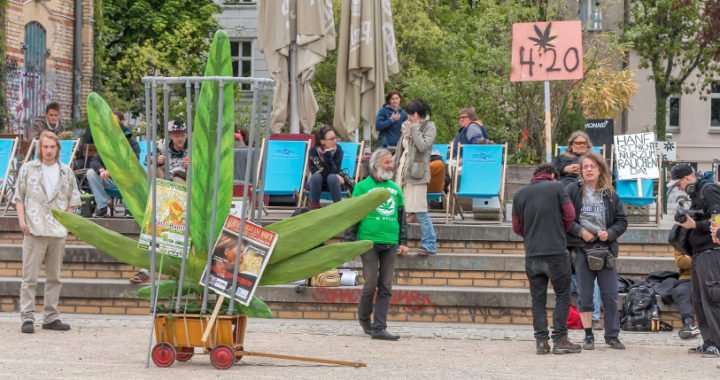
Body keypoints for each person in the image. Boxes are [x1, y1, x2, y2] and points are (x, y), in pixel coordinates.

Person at [512, 163, 581, 355]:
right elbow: (570, 214)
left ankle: (541, 342)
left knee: (538, 300)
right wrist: (559, 230)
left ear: (535, 175)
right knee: (563, 295)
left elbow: (517, 227)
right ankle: (560, 339)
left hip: (532, 253)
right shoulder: (558, 187)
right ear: (552, 175)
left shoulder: (519, 194)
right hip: (556, 252)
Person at [16, 131, 81, 333]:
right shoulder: (28, 169)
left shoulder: (66, 172)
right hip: (34, 229)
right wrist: (22, 222)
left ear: (58, 149)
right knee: (30, 277)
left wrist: (66, 224)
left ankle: (51, 316)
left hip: (57, 231)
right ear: (40, 148)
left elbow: (73, 200)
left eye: (52, 147)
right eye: (45, 147)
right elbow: (20, 197)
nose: (49, 150)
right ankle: (27, 317)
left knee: (54, 277)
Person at [565, 151, 628, 350]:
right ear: (581, 171)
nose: (589, 170)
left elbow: (622, 221)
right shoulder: (572, 191)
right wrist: (580, 231)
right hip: (583, 248)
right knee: (585, 293)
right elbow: (565, 219)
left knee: (610, 294)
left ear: (600, 169)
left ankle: (612, 335)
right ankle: (588, 335)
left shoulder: (611, 194)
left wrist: (609, 234)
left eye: (593, 166)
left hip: (605, 249)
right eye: (585, 167)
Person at [345, 148, 409, 340]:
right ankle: (365, 320)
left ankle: (379, 327)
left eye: (391, 162)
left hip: (390, 242)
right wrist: (350, 242)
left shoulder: (395, 188)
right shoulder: (362, 188)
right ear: (375, 166)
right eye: (387, 163)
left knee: (386, 286)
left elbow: (402, 217)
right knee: (370, 284)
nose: (391, 166)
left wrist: (403, 242)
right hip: (369, 242)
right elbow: (353, 215)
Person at [669, 162, 720, 357]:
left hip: (711, 252)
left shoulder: (709, 189)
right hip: (699, 254)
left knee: (712, 298)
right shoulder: (698, 194)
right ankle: (709, 342)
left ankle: (718, 344)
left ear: (687, 179)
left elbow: (718, 219)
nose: (679, 188)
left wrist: (695, 225)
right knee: (699, 300)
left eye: (679, 184)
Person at [393, 98, 437, 255]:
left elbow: (423, 146)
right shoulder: (406, 127)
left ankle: (430, 244)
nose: (409, 117)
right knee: (398, 208)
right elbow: (401, 150)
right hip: (402, 172)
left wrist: (416, 128)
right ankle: (396, 242)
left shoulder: (429, 127)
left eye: (411, 114)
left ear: (418, 114)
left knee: (419, 210)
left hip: (417, 174)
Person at [86, 113, 141, 218]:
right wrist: (101, 170)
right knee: (91, 173)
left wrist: (113, 171)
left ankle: (129, 209)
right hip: (111, 181)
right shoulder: (108, 145)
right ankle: (103, 208)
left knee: (130, 175)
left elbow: (132, 165)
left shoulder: (133, 145)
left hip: (128, 181)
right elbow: (94, 161)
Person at [307, 126, 344, 209]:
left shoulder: (338, 150)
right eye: (331, 139)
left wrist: (328, 156)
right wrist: (325, 155)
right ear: (322, 141)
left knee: (332, 177)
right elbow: (315, 171)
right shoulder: (313, 152)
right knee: (316, 177)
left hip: (334, 183)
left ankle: (338, 207)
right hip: (318, 184)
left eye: (335, 138)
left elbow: (336, 170)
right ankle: (315, 206)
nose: (335, 141)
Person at [671, 248, 700, 339]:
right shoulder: (680, 243)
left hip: (708, 278)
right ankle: (689, 323)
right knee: (682, 291)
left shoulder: (713, 238)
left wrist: (690, 257)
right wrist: (701, 259)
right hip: (687, 279)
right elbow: (681, 263)